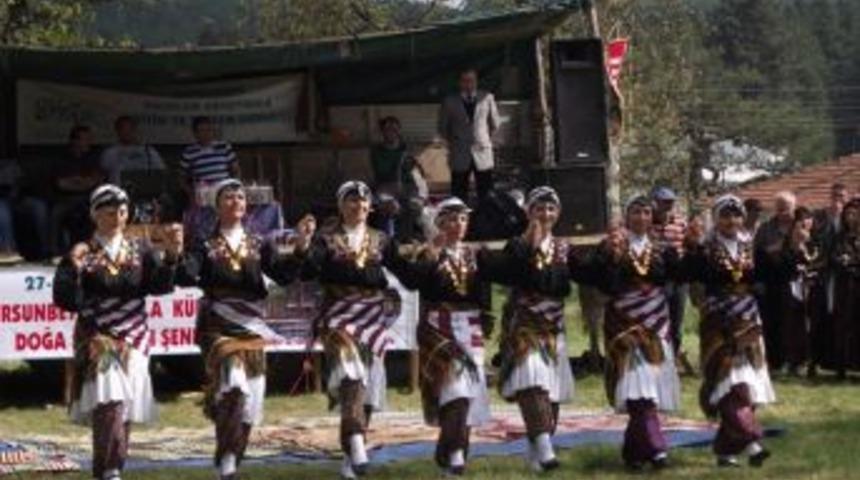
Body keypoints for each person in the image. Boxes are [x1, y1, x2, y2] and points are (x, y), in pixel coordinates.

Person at [52, 184, 183, 480]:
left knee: (122, 408)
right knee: (109, 398)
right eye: (109, 213)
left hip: (135, 336)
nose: (117, 218)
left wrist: (172, 256)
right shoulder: (82, 252)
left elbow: (159, 287)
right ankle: (109, 472)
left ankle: (110, 471)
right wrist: (73, 269)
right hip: (97, 336)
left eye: (122, 212)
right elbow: (64, 300)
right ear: (94, 215)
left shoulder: (140, 249)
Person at [175, 179, 304, 480]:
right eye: (229, 197)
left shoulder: (260, 244)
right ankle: (228, 461)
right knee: (234, 387)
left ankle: (230, 458)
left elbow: (284, 276)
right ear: (217, 206)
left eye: (240, 197)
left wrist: (300, 249)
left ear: (247, 206)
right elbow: (186, 275)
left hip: (252, 328)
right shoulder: (204, 244)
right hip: (218, 327)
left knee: (250, 403)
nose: (236, 201)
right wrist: (176, 255)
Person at [683, 194, 802, 468]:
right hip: (719, 323)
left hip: (748, 322)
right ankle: (751, 442)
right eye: (725, 215)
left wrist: (794, 248)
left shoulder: (750, 246)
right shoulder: (707, 247)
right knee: (730, 385)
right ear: (716, 218)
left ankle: (725, 451)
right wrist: (692, 247)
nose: (732, 221)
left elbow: (774, 273)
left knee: (749, 386)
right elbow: (690, 272)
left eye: (736, 215)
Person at [293, 180, 402, 479]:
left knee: (365, 389)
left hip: (372, 318)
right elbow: (308, 269)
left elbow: (405, 270)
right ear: (341, 206)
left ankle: (350, 457)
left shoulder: (381, 239)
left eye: (364, 202)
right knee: (351, 375)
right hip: (339, 316)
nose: (360, 206)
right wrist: (302, 245)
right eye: (352, 201)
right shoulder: (326, 239)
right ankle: (356, 443)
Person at [387, 197, 493, 476]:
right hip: (438, 328)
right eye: (451, 219)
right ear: (439, 223)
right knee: (453, 389)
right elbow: (412, 281)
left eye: (462, 219)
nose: (457, 225)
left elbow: (484, 291)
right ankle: (455, 454)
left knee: (468, 392)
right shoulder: (429, 253)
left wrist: (488, 319)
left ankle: (452, 453)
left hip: (470, 328)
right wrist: (425, 256)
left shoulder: (475, 254)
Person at [582, 195, 681, 470]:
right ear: (627, 217)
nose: (641, 217)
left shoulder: (661, 249)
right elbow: (598, 281)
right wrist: (610, 257)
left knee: (651, 384)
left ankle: (633, 453)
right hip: (623, 322)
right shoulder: (611, 245)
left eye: (646, 212)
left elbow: (678, 277)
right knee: (636, 385)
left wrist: (693, 249)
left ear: (653, 217)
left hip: (656, 322)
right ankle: (657, 449)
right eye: (636, 212)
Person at [493, 186, 576, 473]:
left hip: (553, 327)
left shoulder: (564, 248)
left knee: (550, 393)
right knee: (531, 381)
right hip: (524, 324)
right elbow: (512, 275)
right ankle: (546, 452)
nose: (546, 214)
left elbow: (569, 283)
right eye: (539, 208)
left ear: (558, 213)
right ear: (529, 212)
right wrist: (532, 247)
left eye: (551, 208)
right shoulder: (516, 245)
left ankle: (533, 456)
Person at [438, 68, 500, 204]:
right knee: (458, 193)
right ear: (459, 83)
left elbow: (495, 124)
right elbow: (442, 128)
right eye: (465, 81)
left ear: (476, 82)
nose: (469, 84)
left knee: (487, 192)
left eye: (472, 80)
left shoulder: (487, 97)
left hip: (482, 151)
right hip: (459, 152)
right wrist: (455, 141)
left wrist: (484, 138)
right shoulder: (449, 101)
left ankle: (487, 219)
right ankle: (460, 220)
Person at [808, 183, 850, 377]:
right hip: (823, 275)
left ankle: (840, 364)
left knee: (842, 320)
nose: (837, 200)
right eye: (834, 196)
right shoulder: (820, 218)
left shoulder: (850, 220)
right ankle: (814, 362)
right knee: (818, 318)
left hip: (844, 276)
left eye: (841, 196)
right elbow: (813, 242)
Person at [650, 187, 692, 374]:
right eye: (664, 202)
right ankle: (656, 357)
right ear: (655, 202)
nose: (668, 206)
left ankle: (673, 358)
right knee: (658, 320)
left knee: (676, 322)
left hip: (679, 279)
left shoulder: (681, 223)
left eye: (670, 202)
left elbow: (688, 246)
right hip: (658, 279)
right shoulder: (647, 223)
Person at [753, 190, 797, 371]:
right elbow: (756, 254)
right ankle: (773, 360)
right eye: (779, 208)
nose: (782, 212)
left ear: (793, 208)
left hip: (793, 280)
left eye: (786, 208)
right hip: (770, 281)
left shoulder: (800, 226)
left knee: (793, 322)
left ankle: (793, 360)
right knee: (771, 321)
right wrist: (772, 249)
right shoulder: (765, 228)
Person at [369, 116, 428, 242]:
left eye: (395, 129)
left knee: (414, 205)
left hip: (408, 187)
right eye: (388, 129)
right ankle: (387, 241)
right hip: (385, 188)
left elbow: (419, 173)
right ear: (382, 132)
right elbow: (382, 171)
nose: (391, 132)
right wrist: (400, 162)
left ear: (399, 131)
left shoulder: (407, 149)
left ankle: (408, 238)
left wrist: (414, 164)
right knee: (391, 206)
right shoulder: (377, 151)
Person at [50, 125, 106, 255]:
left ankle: (96, 249)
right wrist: (83, 182)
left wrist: (76, 181)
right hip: (65, 199)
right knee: (56, 213)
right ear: (74, 141)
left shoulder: (93, 158)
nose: (89, 142)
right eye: (85, 139)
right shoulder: (62, 158)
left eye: (90, 139)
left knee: (99, 212)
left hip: (89, 199)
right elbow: (61, 184)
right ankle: (52, 252)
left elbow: (96, 181)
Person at [829, 198, 860, 379]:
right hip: (845, 286)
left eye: (855, 214)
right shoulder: (839, 237)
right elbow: (834, 258)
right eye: (848, 214)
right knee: (844, 324)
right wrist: (844, 262)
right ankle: (841, 366)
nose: (851, 218)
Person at [100, 116, 166, 184]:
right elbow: (102, 176)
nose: (127, 132)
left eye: (130, 129)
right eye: (123, 129)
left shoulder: (149, 151)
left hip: (143, 191)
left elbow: (161, 172)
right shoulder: (110, 153)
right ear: (117, 131)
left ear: (135, 130)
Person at [180, 116, 240, 188]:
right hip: (203, 191)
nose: (206, 134)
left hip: (224, 190)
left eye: (209, 130)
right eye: (202, 130)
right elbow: (182, 177)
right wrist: (191, 195)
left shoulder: (224, 146)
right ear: (195, 134)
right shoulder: (189, 152)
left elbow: (236, 170)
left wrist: (235, 187)